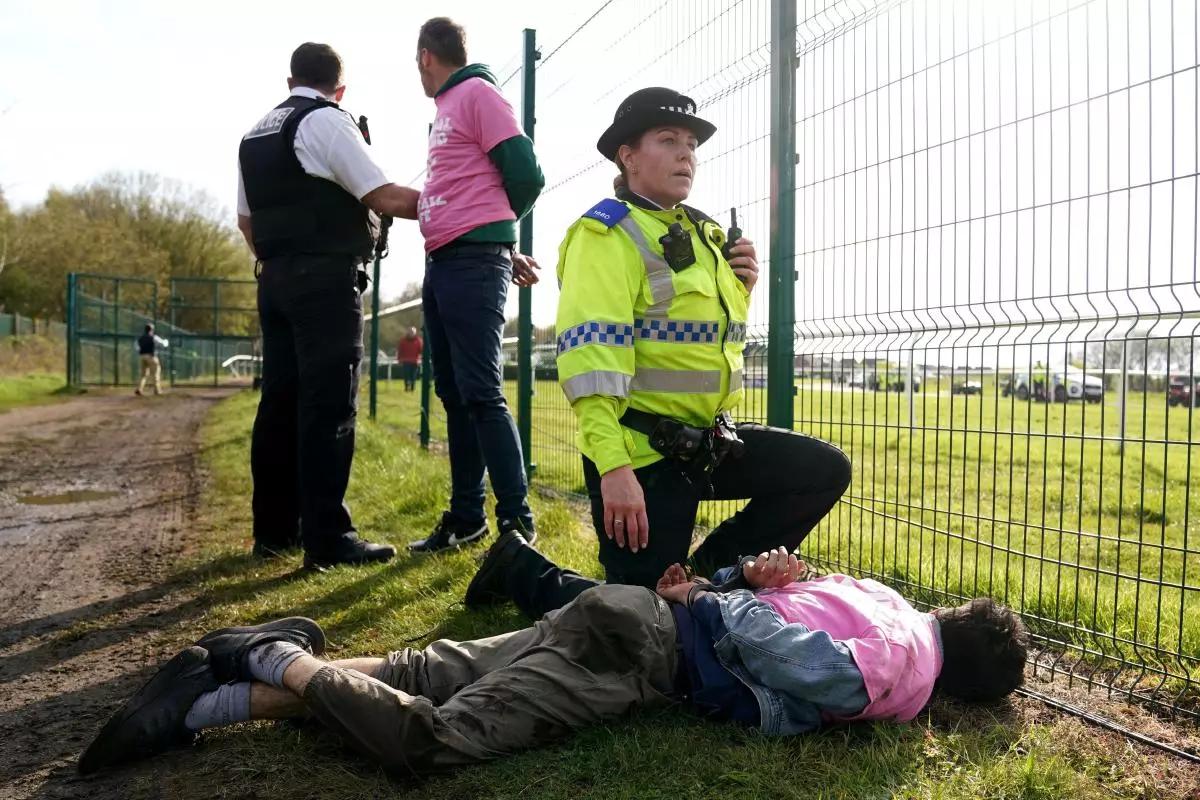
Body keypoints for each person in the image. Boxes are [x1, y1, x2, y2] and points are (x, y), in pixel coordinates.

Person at [77, 547, 1028, 777]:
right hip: (644, 651)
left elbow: (781, 589)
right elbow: (814, 668)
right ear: (963, 686)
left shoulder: (885, 596)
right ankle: (278, 656)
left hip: (624, 611)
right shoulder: (904, 667)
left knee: (429, 666)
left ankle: (210, 698)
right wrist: (719, 603)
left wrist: (722, 583)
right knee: (436, 742)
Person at [501, 86, 852, 599]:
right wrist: (613, 470)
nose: (686, 153)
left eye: (691, 143)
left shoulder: (707, 234)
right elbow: (591, 360)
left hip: (707, 443)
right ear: (628, 156)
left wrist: (742, 289)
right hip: (641, 455)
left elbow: (712, 342)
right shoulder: (605, 237)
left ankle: (708, 575)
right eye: (668, 140)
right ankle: (517, 569)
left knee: (823, 471)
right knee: (644, 620)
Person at [237, 42, 422, 569]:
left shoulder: (255, 134)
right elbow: (383, 196)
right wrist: (456, 205)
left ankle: (274, 532)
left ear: (289, 78)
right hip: (324, 280)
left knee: (279, 406)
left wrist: (281, 264)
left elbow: (246, 222)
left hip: (273, 279)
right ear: (340, 88)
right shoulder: (327, 122)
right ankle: (328, 538)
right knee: (329, 407)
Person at [406, 18, 546, 554]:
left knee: (483, 392)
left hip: (470, 262)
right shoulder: (445, 109)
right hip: (443, 262)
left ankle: (516, 522)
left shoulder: (477, 94)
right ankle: (467, 518)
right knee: (454, 393)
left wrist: (494, 236)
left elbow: (526, 173)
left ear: (425, 57)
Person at [134, 324, 167, 396]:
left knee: (143, 374)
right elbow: (163, 344)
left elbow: (136, 348)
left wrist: (142, 352)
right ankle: (157, 390)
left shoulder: (140, 338)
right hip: (151, 356)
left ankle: (140, 389)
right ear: (152, 330)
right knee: (155, 373)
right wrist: (166, 342)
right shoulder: (153, 337)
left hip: (142, 356)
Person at [396, 326, 423, 392]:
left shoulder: (418, 341)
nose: (411, 333)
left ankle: (412, 388)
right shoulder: (403, 340)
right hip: (406, 361)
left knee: (413, 376)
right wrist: (399, 359)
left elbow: (421, 350)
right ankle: (406, 387)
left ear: (415, 333)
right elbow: (400, 350)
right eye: (410, 332)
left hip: (414, 361)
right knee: (406, 375)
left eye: (413, 332)